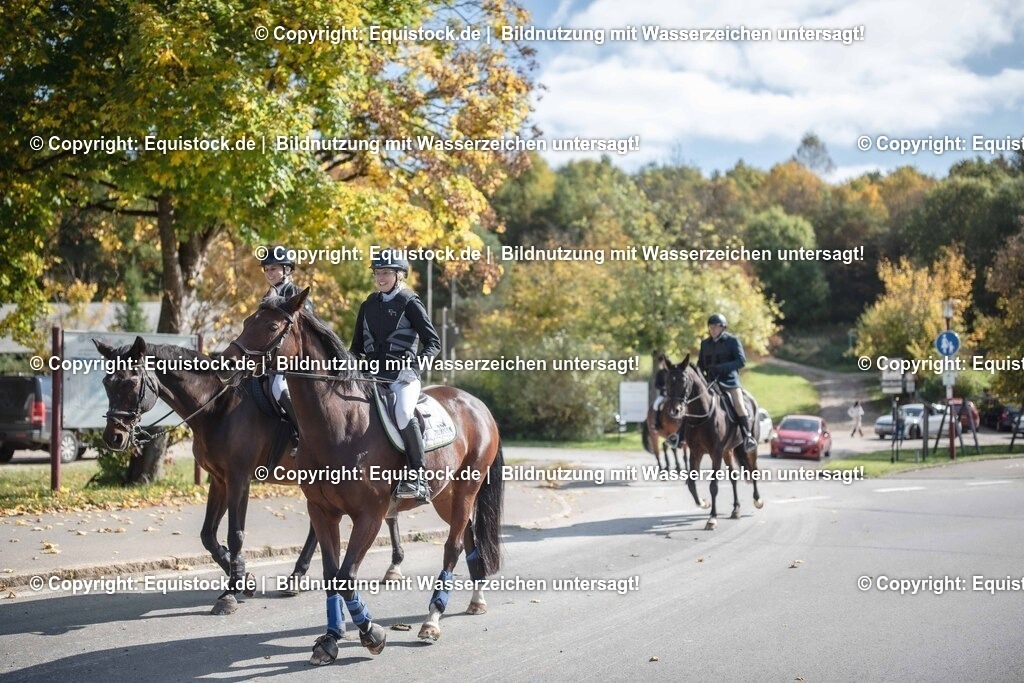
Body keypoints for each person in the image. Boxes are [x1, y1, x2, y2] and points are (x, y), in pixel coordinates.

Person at [350, 251, 441, 501]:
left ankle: (418, 475)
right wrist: (346, 366)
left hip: (402, 376)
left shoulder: (410, 302)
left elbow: (433, 343)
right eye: (377, 273)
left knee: (402, 412)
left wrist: (415, 369)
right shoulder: (368, 305)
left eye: (386, 273)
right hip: (370, 377)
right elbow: (356, 348)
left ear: (400, 275)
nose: (380, 278)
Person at [260, 246, 310, 444]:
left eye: (273, 268)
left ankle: (302, 435)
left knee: (278, 387)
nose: (269, 273)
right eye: (266, 269)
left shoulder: (297, 294)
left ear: (287, 269)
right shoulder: (268, 296)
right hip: (270, 357)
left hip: (294, 360)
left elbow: (306, 334)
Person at [697, 313, 757, 450]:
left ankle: (747, 436)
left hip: (729, 382)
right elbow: (700, 363)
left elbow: (741, 361)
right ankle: (680, 436)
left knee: (739, 405)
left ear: (723, 328)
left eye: (716, 327)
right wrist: (700, 374)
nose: (713, 330)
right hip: (710, 382)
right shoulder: (705, 344)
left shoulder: (732, 341)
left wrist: (721, 368)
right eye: (711, 327)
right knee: (694, 401)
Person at [651, 353, 668, 428]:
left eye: (664, 361)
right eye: (662, 362)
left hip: (673, 395)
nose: (663, 364)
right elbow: (656, 385)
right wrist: (663, 388)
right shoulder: (660, 373)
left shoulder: (672, 371)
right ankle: (657, 423)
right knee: (656, 405)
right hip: (663, 395)